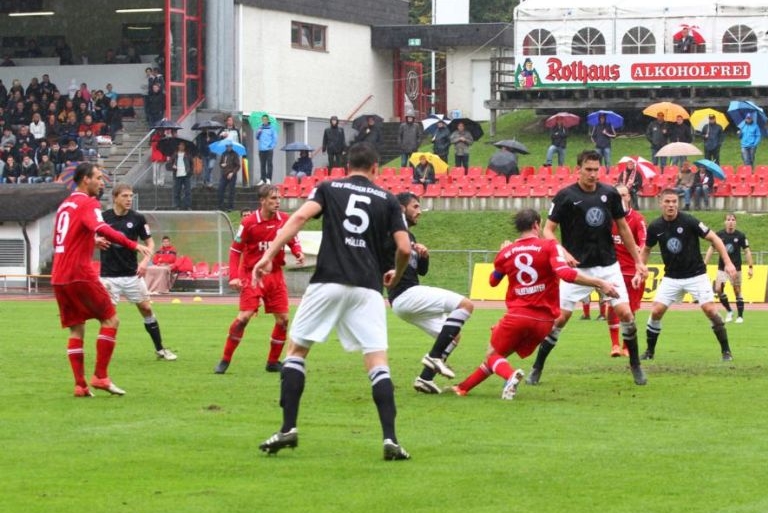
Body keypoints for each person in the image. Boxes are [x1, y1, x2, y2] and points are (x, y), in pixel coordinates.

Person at [251, 142, 412, 460]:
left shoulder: (328, 187)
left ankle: (288, 428)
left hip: (328, 280)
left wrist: (269, 254)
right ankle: (390, 439)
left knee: (297, 351)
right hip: (368, 288)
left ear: (346, 166)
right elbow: (405, 249)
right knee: (377, 361)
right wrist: (396, 273)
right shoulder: (389, 200)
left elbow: (299, 217)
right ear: (375, 168)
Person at [451, 208, 621, 399]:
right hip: (544, 323)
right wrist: (599, 282)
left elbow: (493, 281)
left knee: (492, 356)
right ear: (536, 225)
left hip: (518, 316)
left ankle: (510, 376)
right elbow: (565, 273)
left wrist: (501, 255)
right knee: (498, 357)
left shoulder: (506, 252)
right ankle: (462, 388)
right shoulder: (549, 246)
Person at [525, 149, 650, 387]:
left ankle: (635, 365)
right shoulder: (565, 196)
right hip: (578, 270)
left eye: (596, 169)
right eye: (588, 169)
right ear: (578, 169)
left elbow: (623, 228)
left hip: (608, 266)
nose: (593, 174)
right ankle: (537, 367)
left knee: (626, 314)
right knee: (560, 319)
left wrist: (638, 261)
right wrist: (562, 252)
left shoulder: (610, 194)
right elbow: (547, 230)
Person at [52, 162, 152, 397]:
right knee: (110, 320)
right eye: (98, 177)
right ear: (85, 180)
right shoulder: (88, 202)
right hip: (79, 274)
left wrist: (90, 241)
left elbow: (66, 236)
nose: (101, 182)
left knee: (76, 329)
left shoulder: (65, 205)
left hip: (59, 276)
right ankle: (100, 376)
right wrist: (132, 244)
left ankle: (80, 385)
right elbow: (103, 228)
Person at [386, 192, 475, 394]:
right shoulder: (392, 231)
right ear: (402, 209)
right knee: (466, 305)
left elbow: (421, 272)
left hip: (403, 301)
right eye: (415, 206)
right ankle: (434, 357)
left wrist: (423, 256)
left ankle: (425, 379)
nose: (419, 211)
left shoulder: (409, 236)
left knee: (453, 336)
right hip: (406, 294)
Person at [215, 184, 305, 375]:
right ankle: (225, 359)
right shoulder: (249, 223)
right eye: (273, 198)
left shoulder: (284, 220)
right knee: (244, 317)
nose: (277, 202)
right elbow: (235, 250)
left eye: (279, 198)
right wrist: (234, 277)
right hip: (252, 275)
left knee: (283, 319)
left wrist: (298, 252)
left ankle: (272, 362)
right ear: (262, 201)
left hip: (275, 275)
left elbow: (292, 238)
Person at [640, 188, 736, 362]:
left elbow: (715, 239)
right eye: (667, 201)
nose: (671, 205)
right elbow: (646, 249)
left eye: (674, 202)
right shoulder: (655, 227)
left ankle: (726, 351)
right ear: (660, 203)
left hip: (696, 275)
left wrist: (728, 262)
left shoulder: (689, 221)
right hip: (672, 277)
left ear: (678, 203)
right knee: (656, 311)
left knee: (710, 310)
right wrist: (641, 268)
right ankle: (649, 351)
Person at [99, 183, 178, 361]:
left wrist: (144, 262)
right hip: (108, 276)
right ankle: (105, 355)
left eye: (131, 196)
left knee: (146, 308)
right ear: (115, 198)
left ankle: (160, 349)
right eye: (125, 196)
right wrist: (96, 241)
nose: (129, 199)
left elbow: (150, 243)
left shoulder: (137, 218)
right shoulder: (103, 218)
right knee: (108, 316)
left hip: (131, 274)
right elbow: (90, 236)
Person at [604, 185, 647, 357]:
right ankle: (615, 345)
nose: (621, 198)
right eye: (617, 195)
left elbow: (645, 241)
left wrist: (639, 251)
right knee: (612, 307)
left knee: (631, 309)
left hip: (632, 271)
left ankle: (626, 346)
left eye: (623, 195)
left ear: (629, 197)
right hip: (612, 270)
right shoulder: (607, 219)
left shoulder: (637, 219)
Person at [704, 213, 754, 323]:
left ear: (735, 222)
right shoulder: (719, 235)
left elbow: (747, 251)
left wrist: (750, 267)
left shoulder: (740, 236)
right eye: (728, 220)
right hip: (722, 268)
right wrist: (705, 263)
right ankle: (729, 311)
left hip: (736, 268)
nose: (730, 222)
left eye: (732, 220)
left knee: (737, 290)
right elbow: (711, 249)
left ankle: (740, 316)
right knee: (718, 289)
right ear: (725, 222)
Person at [217, 142, 241, 211]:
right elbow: (220, 163)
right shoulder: (224, 154)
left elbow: (238, 166)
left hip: (232, 175)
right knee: (220, 189)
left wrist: (232, 173)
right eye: (227, 146)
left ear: (232, 146)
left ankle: (230, 207)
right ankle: (221, 206)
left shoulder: (235, 154)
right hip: (224, 174)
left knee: (231, 191)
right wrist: (222, 165)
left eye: (230, 146)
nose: (228, 147)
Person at [168, 141, 192, 210]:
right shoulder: (174, 155)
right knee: (177, 190)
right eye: (180, 145)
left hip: (186, 175)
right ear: (178, 146)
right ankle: (177, 205)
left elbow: (191, 164)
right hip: (177, 175)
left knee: (187, 191)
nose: (182, 146)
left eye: (183, 145)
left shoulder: (188, 154)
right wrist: (173, 166)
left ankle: (188, 205)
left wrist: (190, 172)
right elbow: (169, 164)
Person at [255, 114, 276, 185]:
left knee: (269, 164)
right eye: (263, 119)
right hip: (261, 149)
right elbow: (257, 138)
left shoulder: (272, 128)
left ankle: (268, 179)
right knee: (262, 164)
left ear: (268, 120)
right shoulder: (260, 127)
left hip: (269, 149)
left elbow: (275, 139)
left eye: (265, 119)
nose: (264, 120)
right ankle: (262, 179)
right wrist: (258, 132)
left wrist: (271, 146)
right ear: (262, 120)